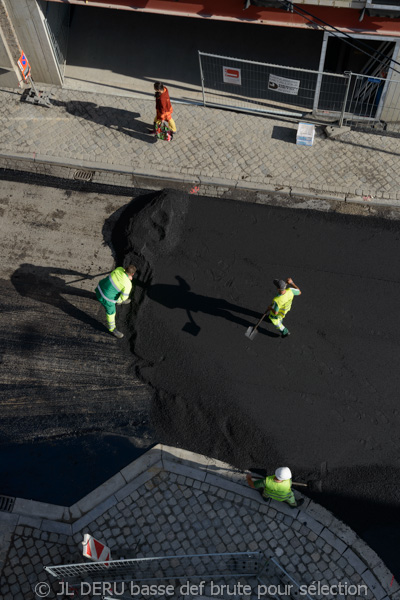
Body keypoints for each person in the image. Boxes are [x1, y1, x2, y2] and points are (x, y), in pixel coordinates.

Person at [95, 265, 136, 338]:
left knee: (109, 289)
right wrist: (128, 280)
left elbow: (121, 272)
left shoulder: (119, 269)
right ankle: (113, 329)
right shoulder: (128, 284)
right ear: (132, 274)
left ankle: (99, 297)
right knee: (111, 313)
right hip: (106, 299)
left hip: (99, 288)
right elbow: (124, 298)